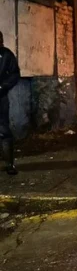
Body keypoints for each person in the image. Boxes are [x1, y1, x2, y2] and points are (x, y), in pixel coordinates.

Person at [0, 30, 20, 175]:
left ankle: (9, 164)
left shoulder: (6, 55)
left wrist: (2, 87)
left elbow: (14, 74)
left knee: (3, 130)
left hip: (0, 97)